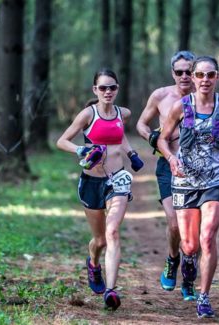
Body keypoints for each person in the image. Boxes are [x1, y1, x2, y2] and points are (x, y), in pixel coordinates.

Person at [156, 56, 219, 318]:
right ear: (194, 78)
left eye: (210, 75)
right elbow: (163, 140)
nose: (204, 80)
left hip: (216, 179)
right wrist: (171, 158)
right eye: (200, 75)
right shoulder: (180, 107)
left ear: (217, 77)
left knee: (207, 237)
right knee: (188, 245)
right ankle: (187, 269)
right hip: (185, 180)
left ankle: (204, 296)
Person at [56, 69, 144, 311]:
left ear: (117, 89)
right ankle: (93, 264)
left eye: (112, 88)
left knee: (113, 232)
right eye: (103, 88)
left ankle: (111, 290)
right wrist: (81, 150)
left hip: (117, 179)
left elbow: (120, 135)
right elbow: (61, 141)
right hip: (91, 182)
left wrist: (131, 153)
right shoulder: (88, 114)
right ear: (95, 90)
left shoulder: (122, 113)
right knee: (99, 240)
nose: (108, 92)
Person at [136, 50, 198, 300]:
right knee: (174, 223)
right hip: (167, 166)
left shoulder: (204, 97)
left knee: (194, 229)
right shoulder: (161, 95)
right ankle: (173, 260)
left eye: (188, 71)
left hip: (197, 168)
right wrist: (152, 136)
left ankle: (190, 279)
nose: (184, 76)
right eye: (179, 71)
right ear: (173, 73)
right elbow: (140, 124)